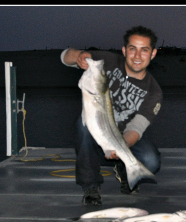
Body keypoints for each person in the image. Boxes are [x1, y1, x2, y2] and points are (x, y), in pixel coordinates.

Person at [61, 26, 162, 205]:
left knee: (151, 161)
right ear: (124, 50)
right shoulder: (107, 60)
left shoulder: (154, 91)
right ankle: (90, 185)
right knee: (83, 125)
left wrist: (119, 149)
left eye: (144, 50)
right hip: (96, 131)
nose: (137, 56)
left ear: (153, 53)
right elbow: (65, 57)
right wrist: (79, 55)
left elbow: (136, 128)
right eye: (132, 49)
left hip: (125, 137)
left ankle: (124, 169)